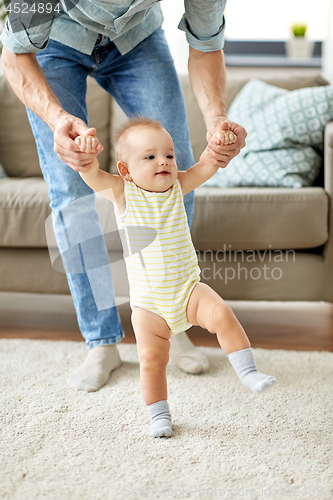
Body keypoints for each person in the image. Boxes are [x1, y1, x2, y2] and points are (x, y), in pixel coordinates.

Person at [0, 0, 247, 392]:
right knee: (71, 191)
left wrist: (217, 119)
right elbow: (14, 53)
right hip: (56, 42)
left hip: (138, 39)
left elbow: (206, 45)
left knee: (171, 175)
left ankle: (172, 319)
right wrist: (56, 118)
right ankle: (102, 342)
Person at [76, 117, 277, 438]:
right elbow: (91, 176)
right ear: (126, 170)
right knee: (151, 361)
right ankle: (159, 416)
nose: (164, 162)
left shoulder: (178, 185)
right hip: (149, 307)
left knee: (223, 314)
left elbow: (207, 165)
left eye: (169, 155)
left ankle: (249, 372)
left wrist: (218, 146)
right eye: (150, 156)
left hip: (188, 292)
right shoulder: (122, 192)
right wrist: (85, 157)